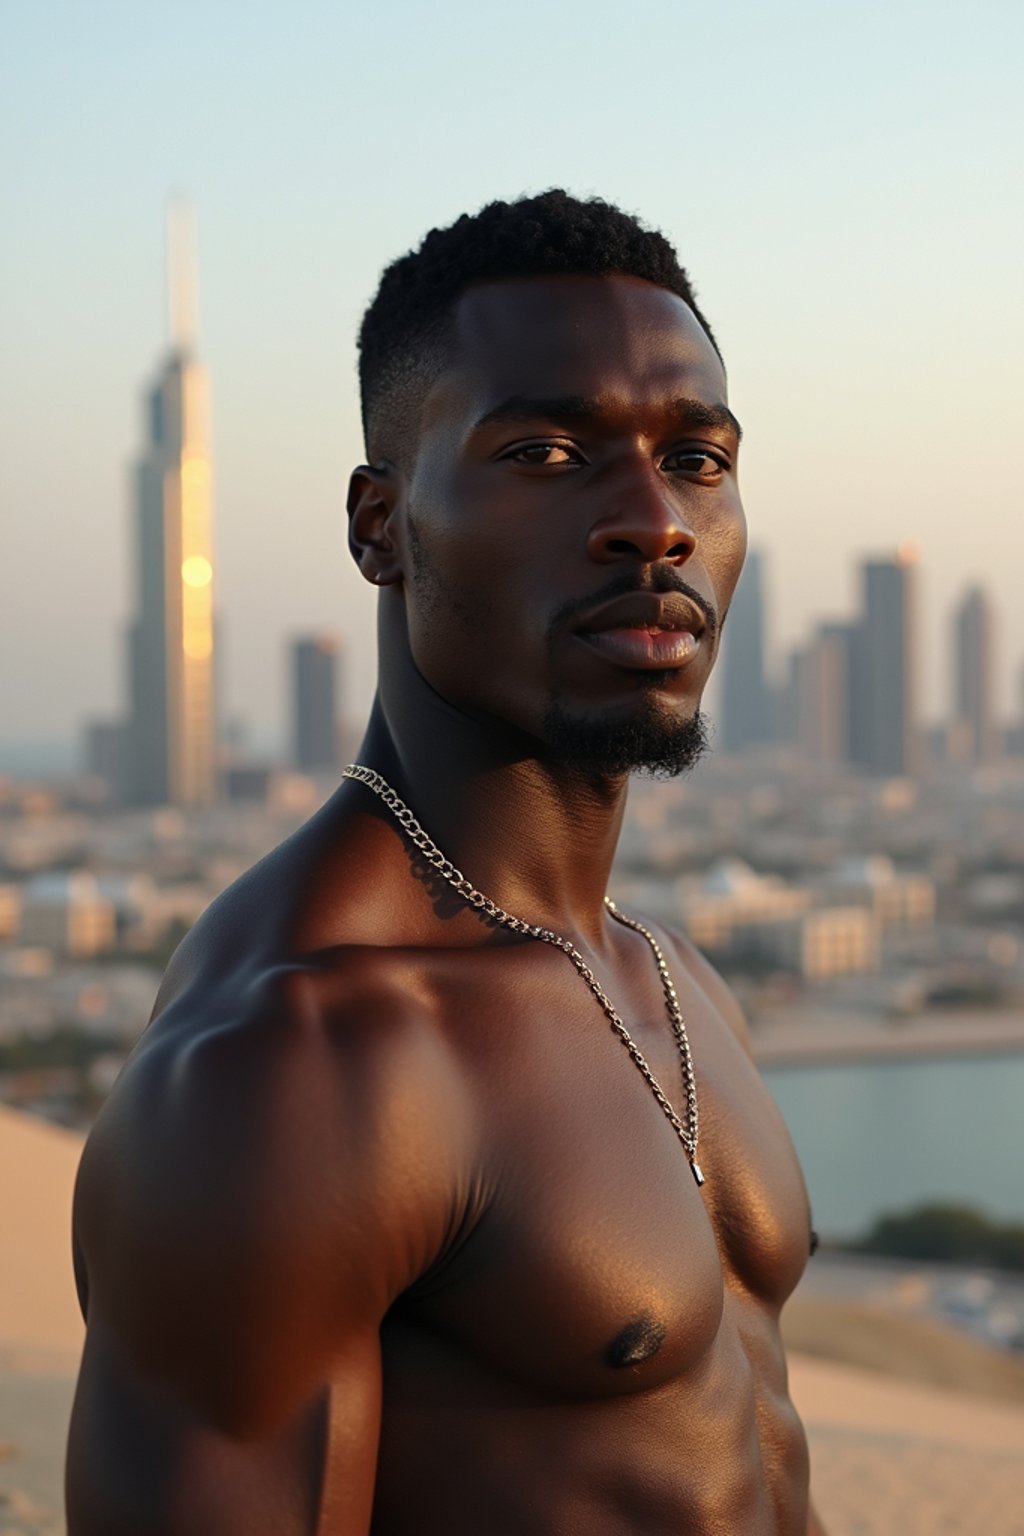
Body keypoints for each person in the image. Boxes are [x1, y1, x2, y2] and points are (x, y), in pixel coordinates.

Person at [67, 190, 826, 1535]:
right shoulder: (300, 1064)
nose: (652, 520)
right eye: (543, 452)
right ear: (381, 528)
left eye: (697, 459)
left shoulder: (675, 976)